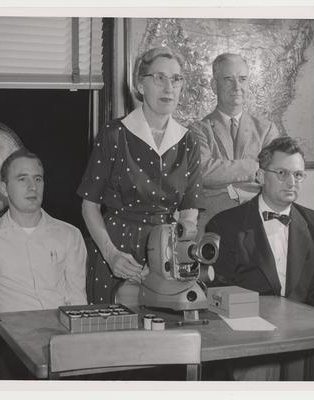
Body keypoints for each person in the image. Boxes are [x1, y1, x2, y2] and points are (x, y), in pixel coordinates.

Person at [77, 46, 203, 304]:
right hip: (117, 255)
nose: (169, 88)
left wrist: (175, 254)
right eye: (159, 78)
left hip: (166, 253)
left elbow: (190, 211)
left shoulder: (188, 140)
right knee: (115, 338)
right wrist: (112, 256)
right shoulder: (114, 133)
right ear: (140, 84)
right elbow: (89, 206)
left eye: (176, 79)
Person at [206, 136, 314, 380]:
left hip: (305, 340)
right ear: (260, 176)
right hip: (248, 341)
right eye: (282, 172)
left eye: (298, 175)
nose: (291, 182)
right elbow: (217, 291)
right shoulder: (224, 225)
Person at [0, 148, 87, 313]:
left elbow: (78, 300)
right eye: (22, 179)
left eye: (38, 179)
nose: (32, 187)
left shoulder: (70, 235)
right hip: (10, 334)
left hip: (59, 333)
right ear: (3, 189)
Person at [189, 53, 280, 232]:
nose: (237, 87)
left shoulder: (267, 129)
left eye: (242, 79)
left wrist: (222, 177)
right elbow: (203, 173)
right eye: (228, 79)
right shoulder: (198, 130)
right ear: (214, 85)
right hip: (213, 227)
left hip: (259, 225)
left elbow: (274, 176)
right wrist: (252, 167)